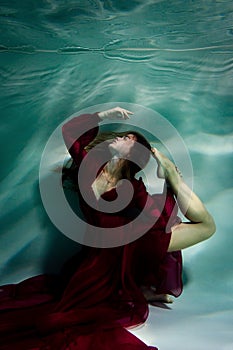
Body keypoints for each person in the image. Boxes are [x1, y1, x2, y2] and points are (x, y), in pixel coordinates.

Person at [0, 107, 215, 350]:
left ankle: (174, 180)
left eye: (128, 139)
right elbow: (69, 132)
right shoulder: (89, 167)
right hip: (98, 256)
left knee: (207, 227)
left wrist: (168, 187)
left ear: (133, 154)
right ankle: (137, 290)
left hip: (130, 243)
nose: (120, 137)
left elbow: (155, 221)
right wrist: (104, 115)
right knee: (76, 305)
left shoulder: (132, 187)